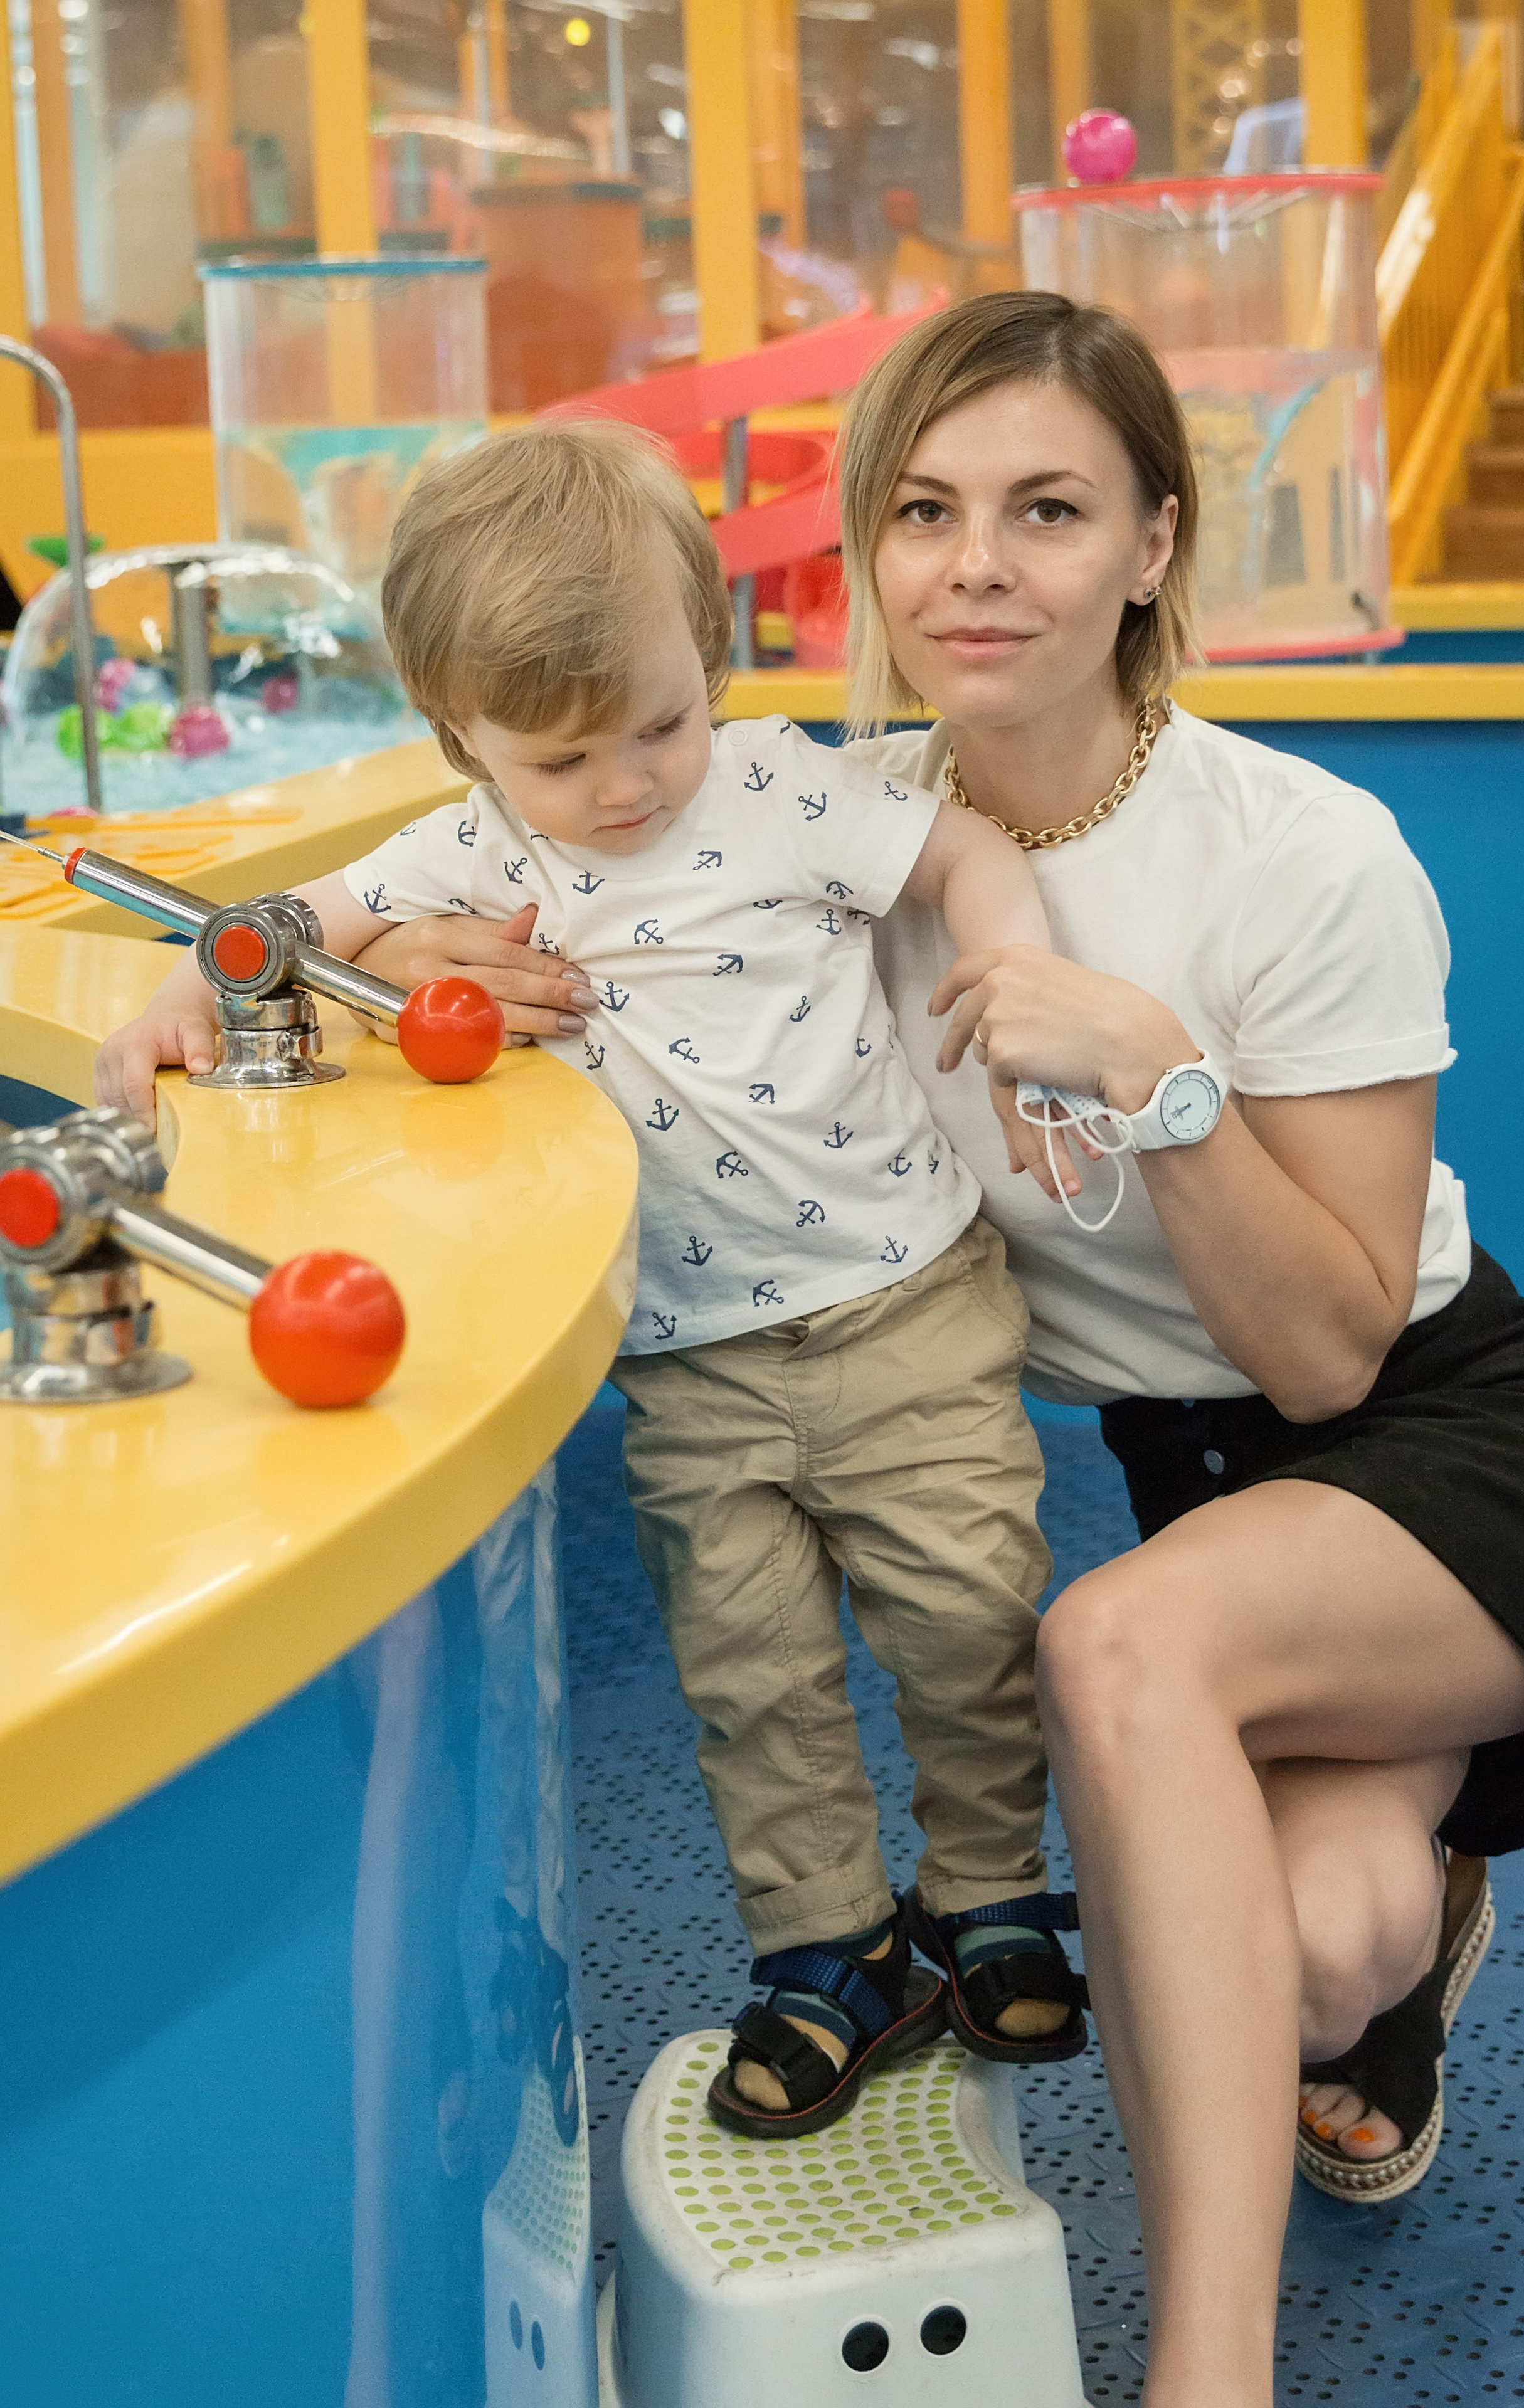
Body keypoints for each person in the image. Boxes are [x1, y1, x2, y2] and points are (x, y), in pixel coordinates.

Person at [334, 299, 1524, 2408]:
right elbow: (471, 867)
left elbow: (1326, 1354)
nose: (977, 564)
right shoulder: (800, 826)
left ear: (1151, 549)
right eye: (924, 512)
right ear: (868, 554)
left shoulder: (1299, 848)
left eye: (1047, 509)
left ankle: (1210, 2373)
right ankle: (1416, 1907)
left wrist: (1162, 1084)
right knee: (1310, 1952)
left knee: (1108, 1652)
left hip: (1436, 1432)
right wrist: (404, 953)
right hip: (1204, 1491)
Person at [93, 417, 1089, 2143]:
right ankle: (827, 1948)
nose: (626, 787)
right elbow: (281, 926)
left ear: (707, 666)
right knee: (751, 1672)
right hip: (693, 1362)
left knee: (969, 1622)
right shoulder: (480, 847)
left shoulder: (776, 783)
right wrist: (193, 990)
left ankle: (988, 1895)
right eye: (563, 760)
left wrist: (1012, 967)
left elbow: (965, 857)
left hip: (907, 1308)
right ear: (457, 740)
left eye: (661, 723)